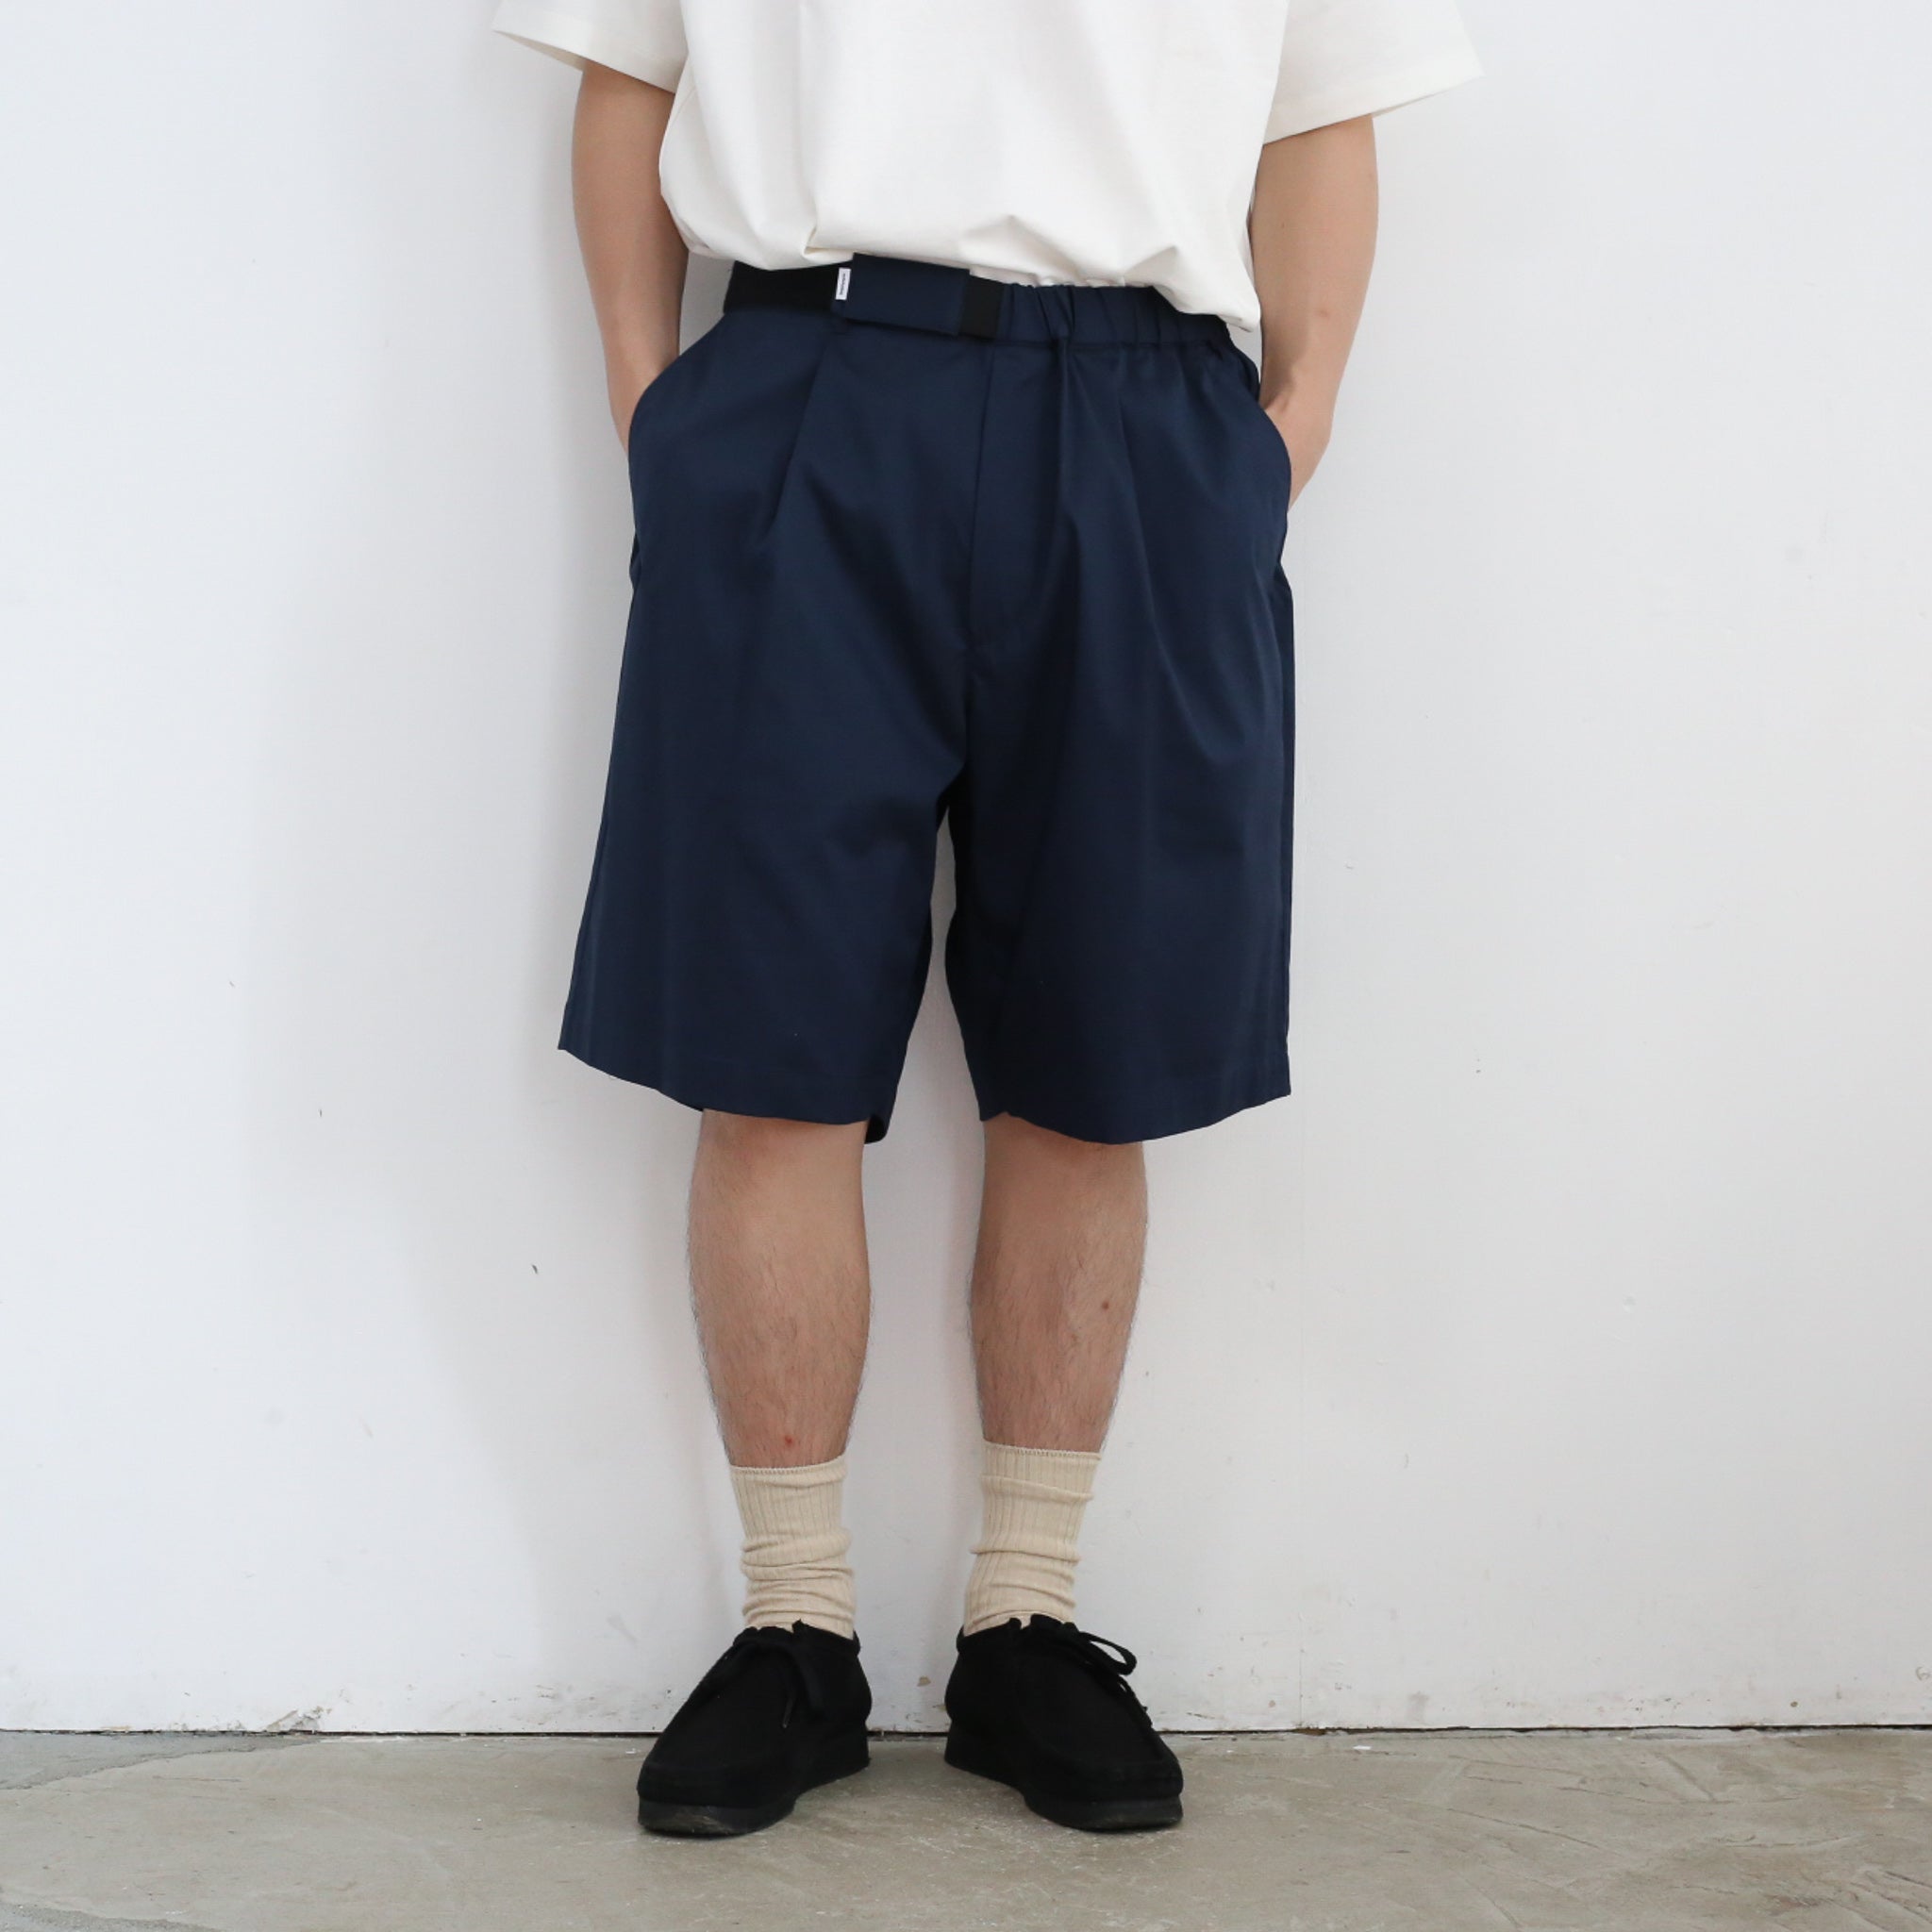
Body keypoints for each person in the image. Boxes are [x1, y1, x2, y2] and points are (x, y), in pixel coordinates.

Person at [492, 0, 1479, 1838]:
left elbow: (1321, 107)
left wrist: (1285, 435)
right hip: (802, 384)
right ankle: (795, 1627)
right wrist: (654, 406)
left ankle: (1026, 1621)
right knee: (766, 1049)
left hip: (1144, 416)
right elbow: (633, 71)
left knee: (1097, 1054)